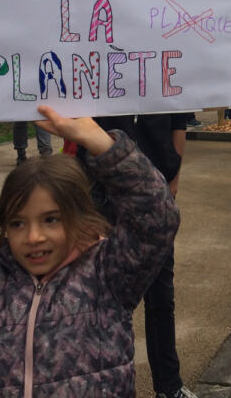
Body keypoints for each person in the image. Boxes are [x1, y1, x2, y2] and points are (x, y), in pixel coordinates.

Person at [0, 106, 179, 395]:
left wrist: (99, 142)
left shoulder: (108, 276)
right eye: (17, 223)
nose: (34, 236)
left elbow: (156, 217)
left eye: (51, 219)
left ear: (79, 217)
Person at [77, 112, 194, 398]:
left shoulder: (163, 72)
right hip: (99, 192)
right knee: (96, 297)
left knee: (161, 297)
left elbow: (179, 121)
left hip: (155, 191)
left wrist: (174, 176)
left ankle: (169, 386)